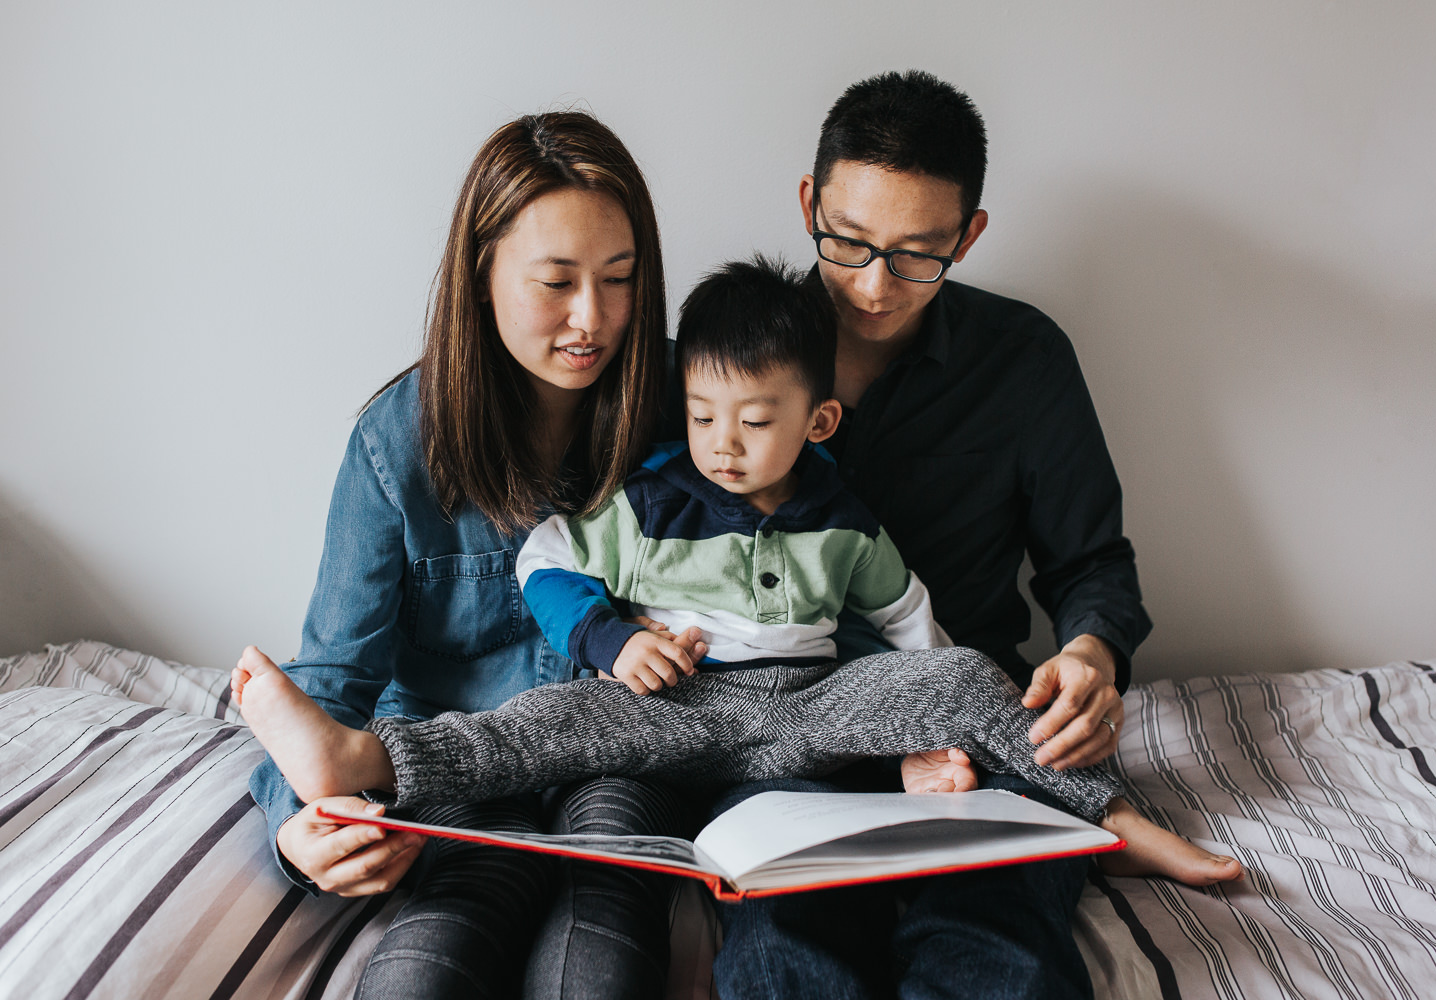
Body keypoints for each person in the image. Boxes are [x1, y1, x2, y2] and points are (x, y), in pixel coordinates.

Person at [233, 256, 1240, 886]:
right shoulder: (656, 494)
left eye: (755, 424)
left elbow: (905, 616)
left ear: (817, 422)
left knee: (971, 675)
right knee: (538, 727)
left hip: (809, 704)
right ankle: (358, 764)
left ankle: (1119, 817)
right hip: (682, 705)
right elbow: (545, 557)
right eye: (703, 417)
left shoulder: (841, 514)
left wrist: (925, 716)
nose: (722, 443)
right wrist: (613, 639)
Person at [705, 71, 1175, 1000]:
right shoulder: (729, 350)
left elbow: (1093, 567)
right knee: (782, 949)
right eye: (847, 242)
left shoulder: (1024, 357)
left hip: (973, 719)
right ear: (810, 202)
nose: (875, 285)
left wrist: (1091, 654)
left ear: (969, 235)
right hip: (788, 727)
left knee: (997, 954)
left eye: (920, 254)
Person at [244, 111, 699, 1000]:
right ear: (482, 272)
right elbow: (329, 686)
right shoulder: (397, 444)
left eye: (619, 280)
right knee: (425, 967)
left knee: (599, 956)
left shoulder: (689, 408)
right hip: (453, 773)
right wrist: (300, 830)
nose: (592, 319)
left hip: (617, 763)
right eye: (556, 282)